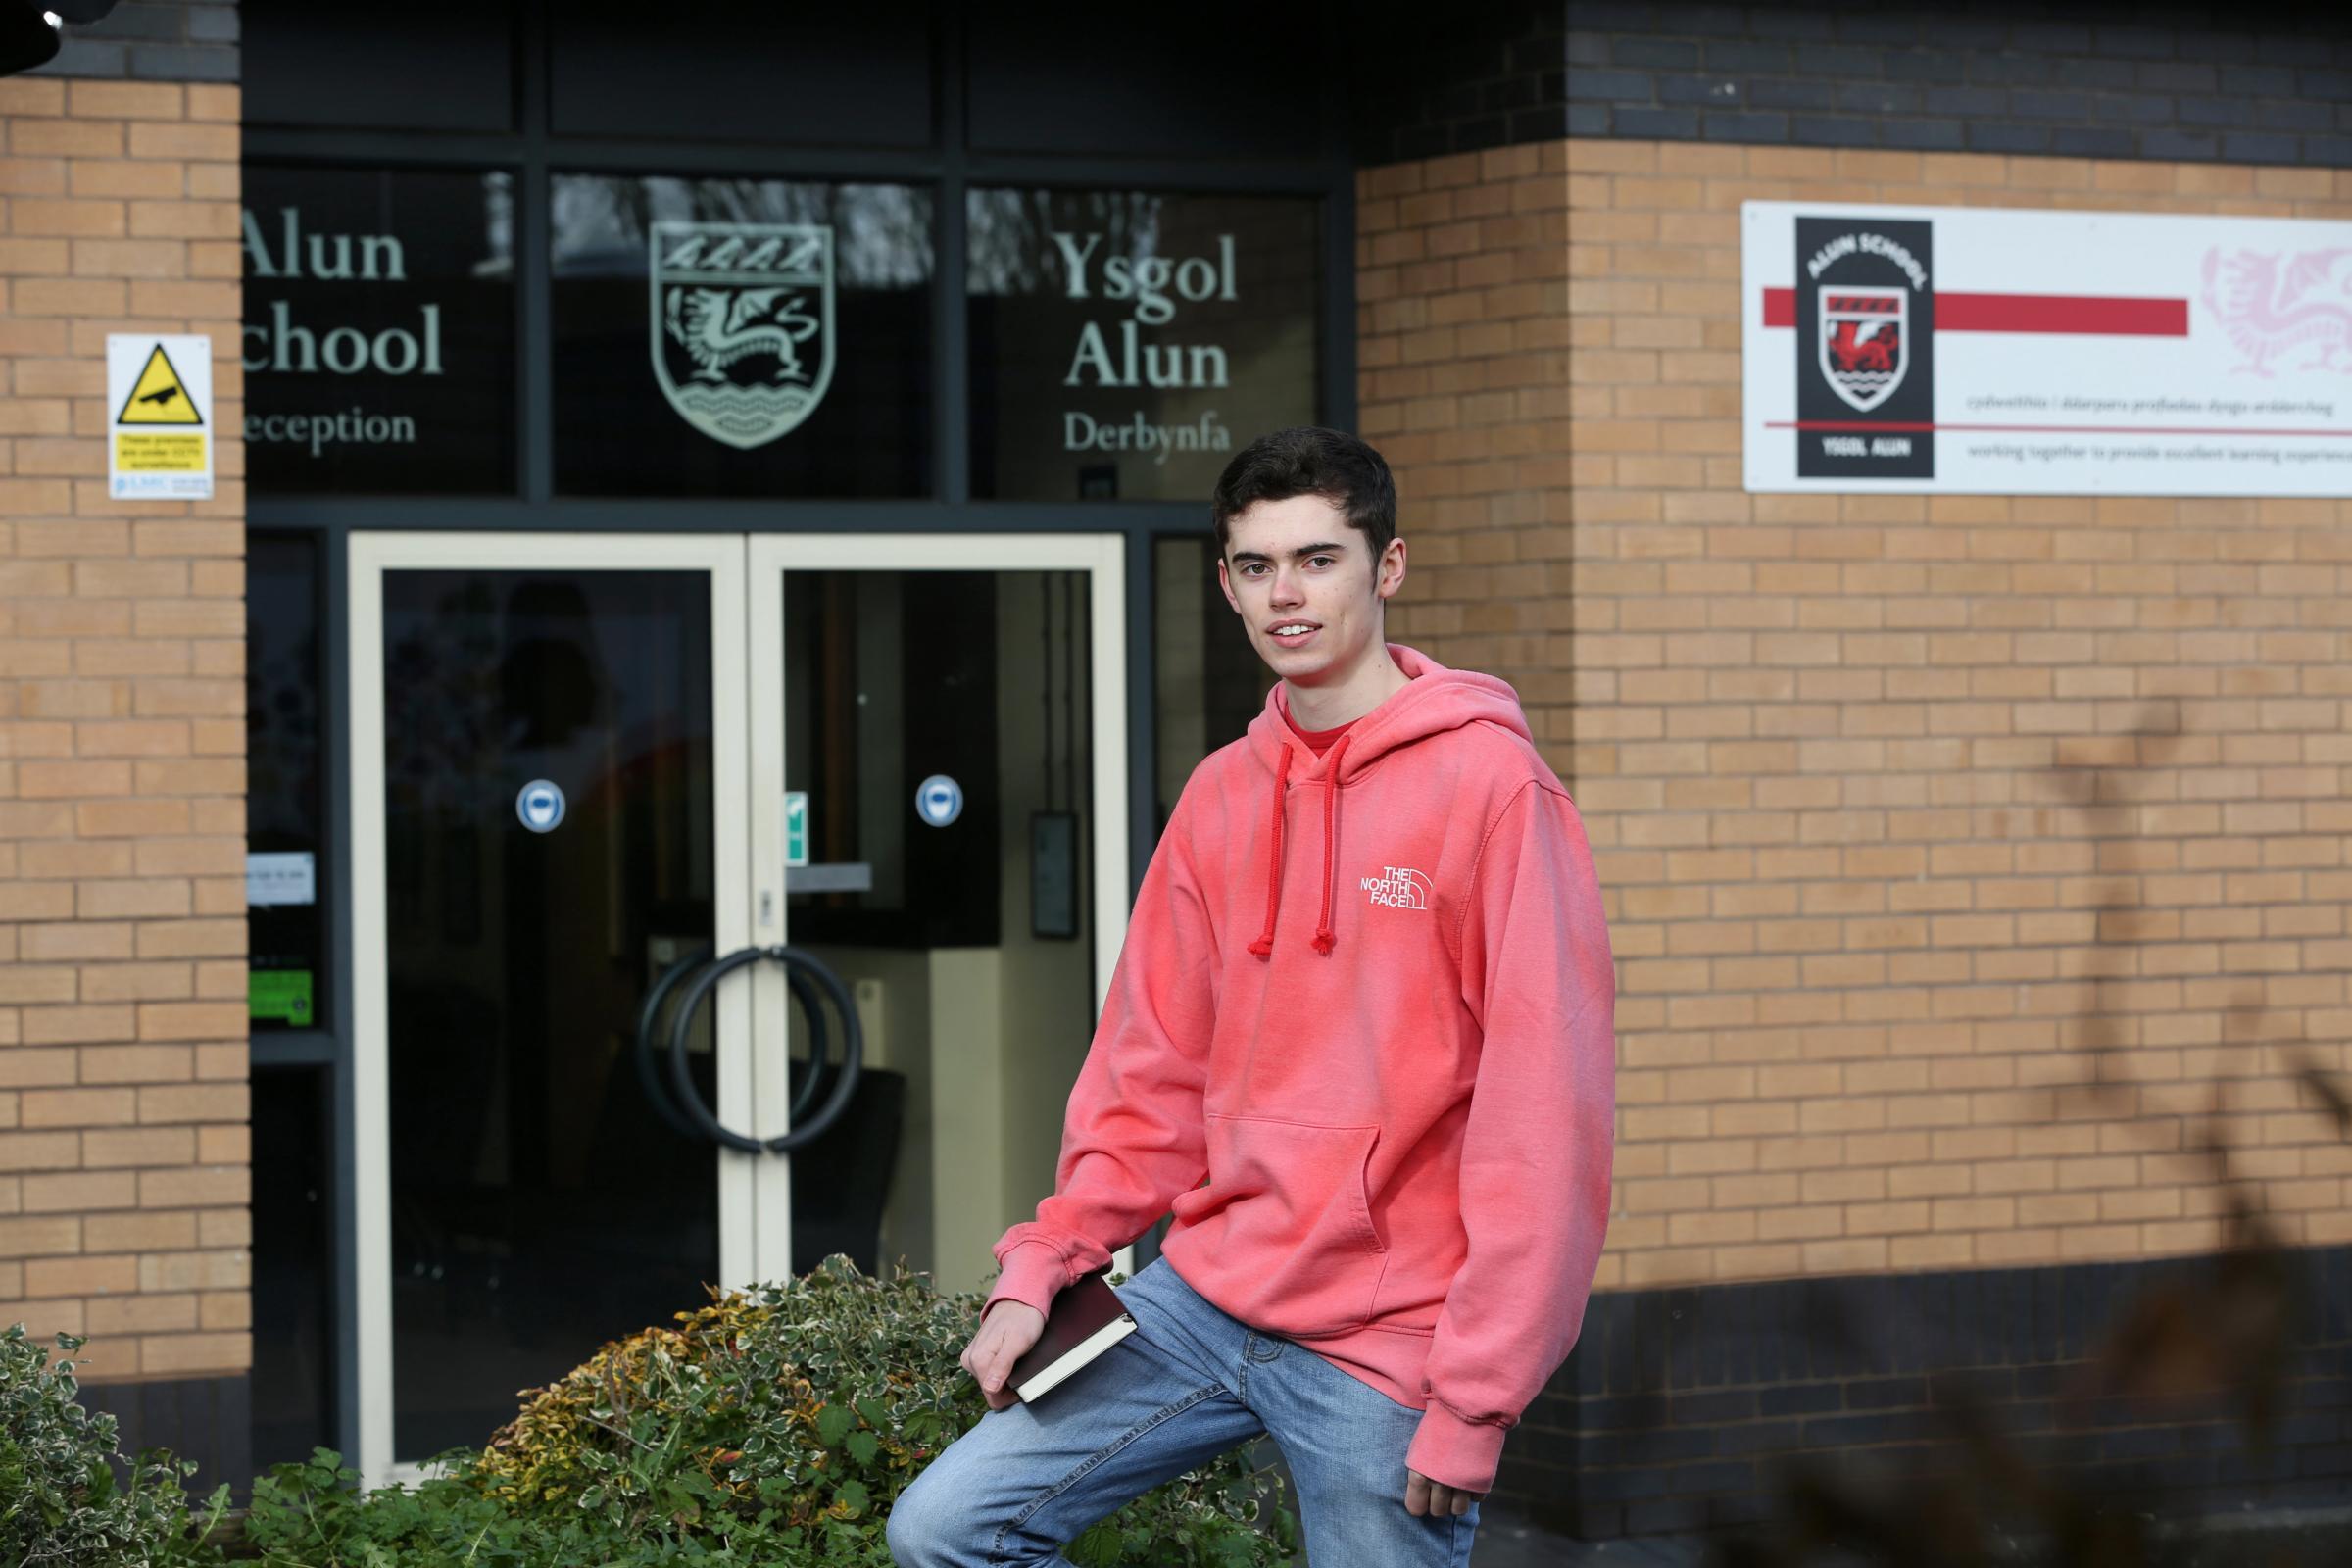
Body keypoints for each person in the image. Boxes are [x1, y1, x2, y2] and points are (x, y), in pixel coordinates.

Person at [887, 426, 1615, 1567]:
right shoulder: (1222, 794)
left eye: (1320, 559)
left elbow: (1544, 1118)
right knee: (945, 1529)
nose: (1288, 595)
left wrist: (1478, 1397)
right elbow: (1151, 1070)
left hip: (1391, 1340)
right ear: (1224, 582)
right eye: (1258, 565)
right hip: (1206, 1301)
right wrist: (1046, 1260)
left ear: (1390, 565)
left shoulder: (1492, 788)